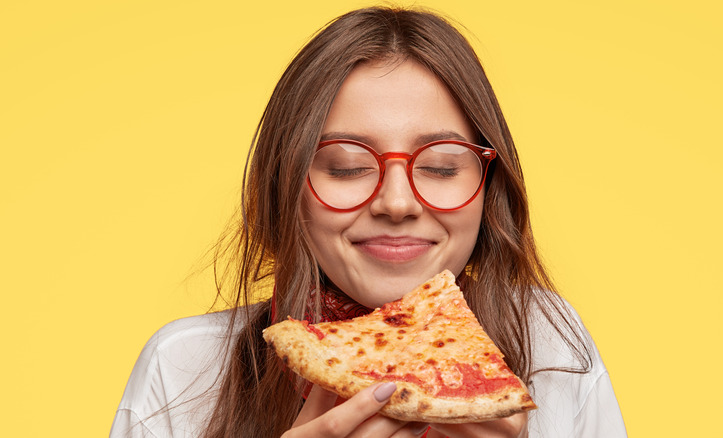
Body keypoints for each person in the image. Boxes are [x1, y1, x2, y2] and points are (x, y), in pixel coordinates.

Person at [110, 6, 627, 438]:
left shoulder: (554, 347)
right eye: (348, 166)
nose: (397, 202)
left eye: (442, 165)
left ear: (488, 188)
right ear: (285, 187)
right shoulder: (183, 369)